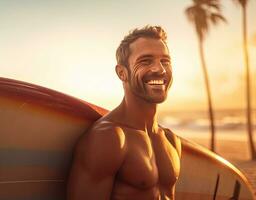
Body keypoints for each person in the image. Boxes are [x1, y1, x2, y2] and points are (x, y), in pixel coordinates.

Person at [67, 26, 181, 200]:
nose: (160, 69)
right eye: (146, 61)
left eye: (165, 61)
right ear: (122, 73)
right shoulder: (109, 138)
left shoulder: (171, 139)